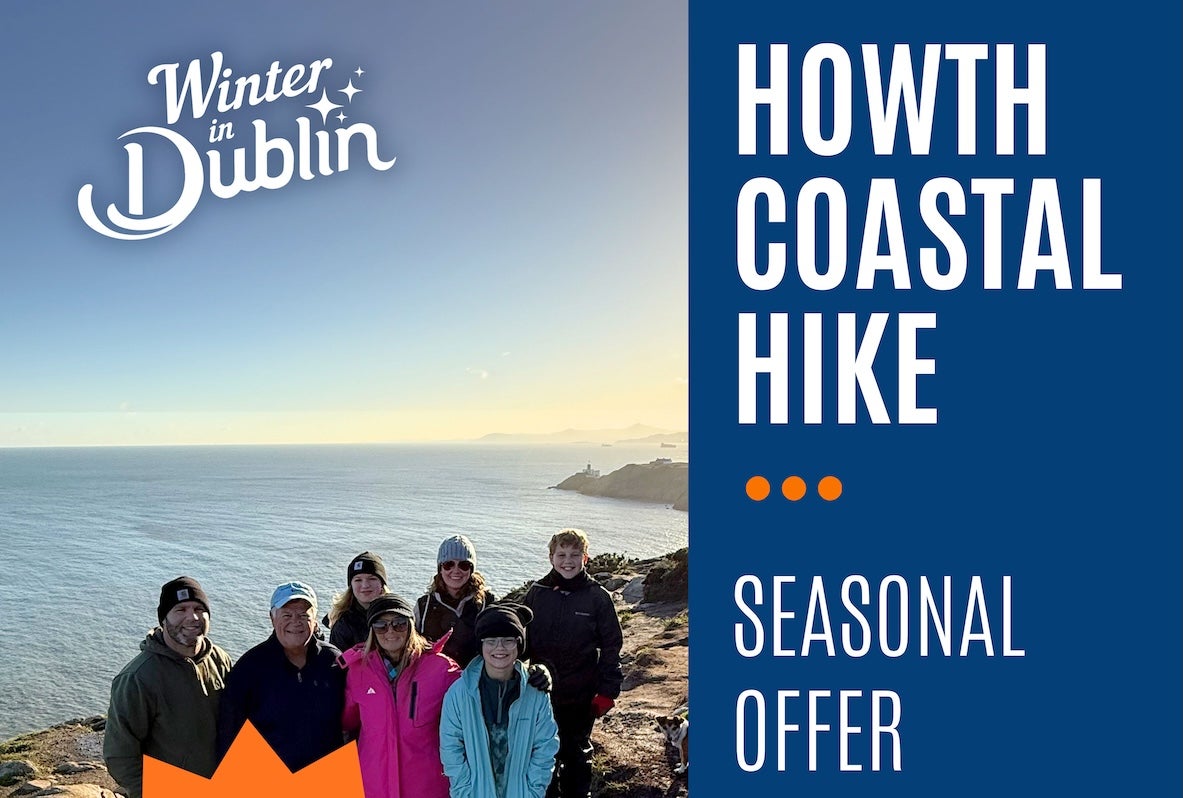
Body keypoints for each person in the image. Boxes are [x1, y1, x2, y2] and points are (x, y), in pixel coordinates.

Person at [104, 577, 233, 798]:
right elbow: (120, 754)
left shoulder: (219, 659)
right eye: (180, 609)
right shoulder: (138, 677)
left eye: (199, 609)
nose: (191, 618)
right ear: (164, 618)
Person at [522, 529, 623, 798]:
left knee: (577, 754)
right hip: (540, 692)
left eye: (575, 555)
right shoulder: (537, 593)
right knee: (542, 753)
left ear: (585, 558)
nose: (568, 561)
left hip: (582, 694)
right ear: (551, 557)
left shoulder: (597, 597)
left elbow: (612, 646)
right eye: (562, 555)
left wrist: (607, 691)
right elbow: (521, 640)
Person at [340, 593, 461, 798]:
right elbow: (347, 721)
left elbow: (475, 696)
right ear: (372, 630)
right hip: (374, 786)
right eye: (381, 625)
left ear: (411, 626)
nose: (390, 631)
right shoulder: (358, 671)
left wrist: (529, 676)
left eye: (399, 623)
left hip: (427, 787)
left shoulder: (441, 668)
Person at [217, 581, 345, 771]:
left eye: (303, 615)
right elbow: (229, 735)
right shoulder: (248, 668)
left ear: (315, 618)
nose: (296, 621)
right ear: (272, 618)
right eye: (287, 614)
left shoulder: (334, 661)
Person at [440, 604, 559, 798]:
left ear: (519, 644)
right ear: (481, 645)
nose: (499, 647)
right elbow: (451, 747)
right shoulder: (459, 693)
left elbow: (545, 747)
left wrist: (533, 790)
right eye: (491, 641)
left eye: (508, 640)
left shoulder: (535, 692)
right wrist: (463, 791)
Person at [415, 535, 497, 666]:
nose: (456, 570)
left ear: (472, 569)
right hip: (436, 679)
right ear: (440, 568)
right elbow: (411, 647)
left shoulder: (488, 604)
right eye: (448, 565)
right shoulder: (423, 607)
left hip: (475, 679)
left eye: (464, 565)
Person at [326, 551, 391, 651]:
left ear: (382, 584)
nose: (365, 585)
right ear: (351, 585)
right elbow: (337, 663)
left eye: (372, 579)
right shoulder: (343, 624)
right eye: (358, 580)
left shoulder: (398, 615)